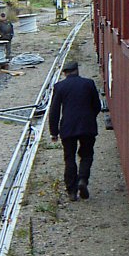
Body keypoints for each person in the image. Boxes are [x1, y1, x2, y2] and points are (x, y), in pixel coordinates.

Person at [49, 60, 102, 201]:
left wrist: (53, 132)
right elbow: (97, 105)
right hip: (87, 126)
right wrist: (90, 117)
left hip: (68, 127)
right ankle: (83, 180)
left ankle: (71, 191)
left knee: (69, 157)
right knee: (86, 154)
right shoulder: (88, 83)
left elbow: (54, 111)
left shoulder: (59, 86)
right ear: (77, 71)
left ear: (65, 73)